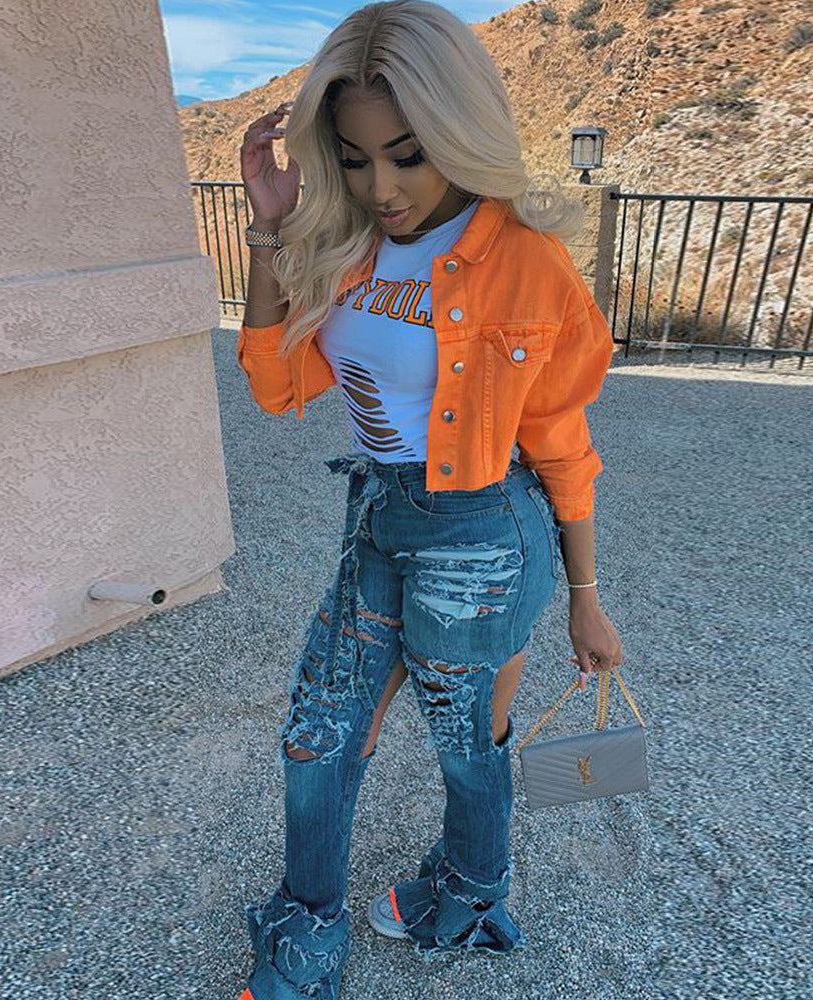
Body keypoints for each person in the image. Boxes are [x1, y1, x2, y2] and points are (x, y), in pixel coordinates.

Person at [233, 2, 623, 997]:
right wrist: (271, 230)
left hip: (482, 534)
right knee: (318, 733)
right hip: (375, 518)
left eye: (408, 155)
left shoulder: (528, 264)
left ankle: (471, 892)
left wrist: (585, 596)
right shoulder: (347, 243)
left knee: (464, 744)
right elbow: (277, 386)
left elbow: (562, 441)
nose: (383, 187)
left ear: (459, 131)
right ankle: (306, 922)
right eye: (355, 159)